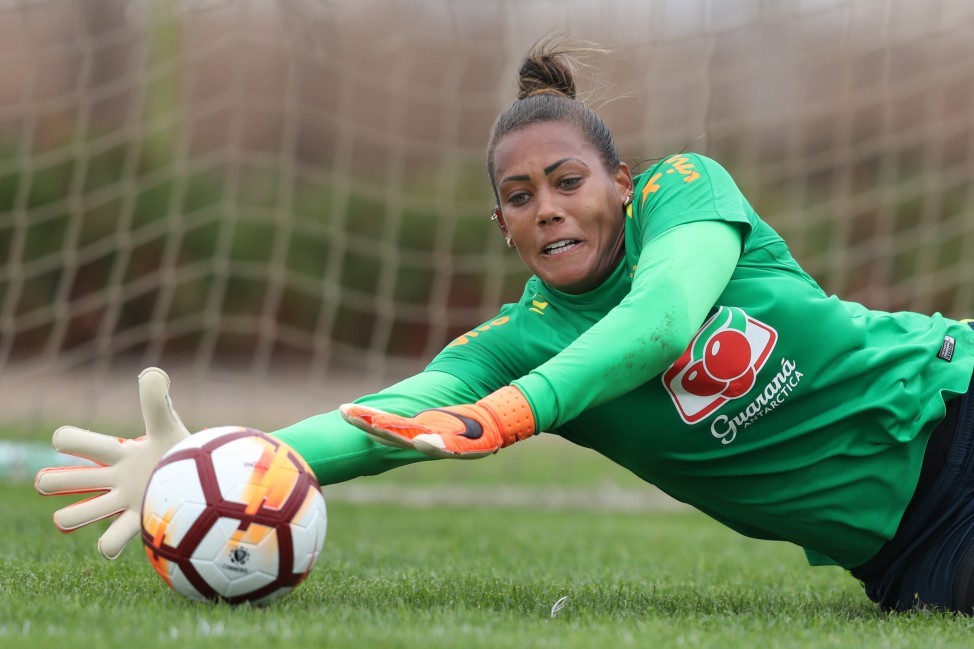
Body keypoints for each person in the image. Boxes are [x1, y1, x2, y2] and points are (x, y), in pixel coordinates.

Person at [34, 37, 974, 615]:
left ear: (620, 182)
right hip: (909, 552)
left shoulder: (685, 193)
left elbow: (660, 323)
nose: (548, 207)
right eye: (521, 197)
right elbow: (384, 421)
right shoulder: (517, 342)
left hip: (955, 399)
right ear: (504, 227)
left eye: (568, 181)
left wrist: (516, 411)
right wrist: (207, 463)